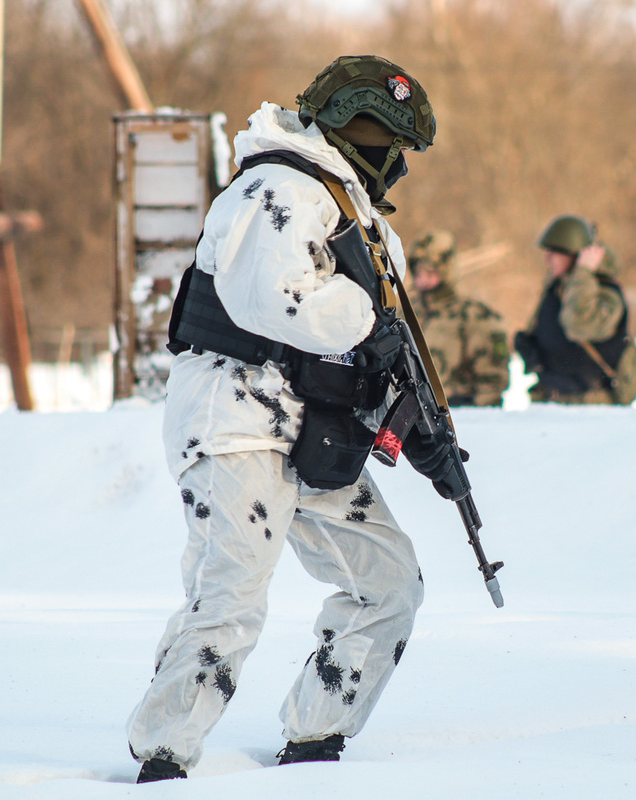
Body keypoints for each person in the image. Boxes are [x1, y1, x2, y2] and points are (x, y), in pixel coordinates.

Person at [125, 55, 454, 783]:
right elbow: (271, 298)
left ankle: (315, 745)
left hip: (317, 433)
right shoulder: (275, 187)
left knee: (389, 583)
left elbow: (384, 343)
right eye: (390, 144)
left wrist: (424, 431)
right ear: (357, 130)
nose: (396, 163)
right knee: (232, 595)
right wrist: (366, 317)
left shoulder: (358, 219)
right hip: (236, 416)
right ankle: (163, 759)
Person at [513, 215, 630, 405]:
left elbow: (580, 326)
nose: (547, 260)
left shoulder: (605, 292)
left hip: (591, 409)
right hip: (549, 402)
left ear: (574, 255)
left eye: (553, 254)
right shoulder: (558, 289)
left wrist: (583, 272)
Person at [407, 230, 509, 407]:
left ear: (446, 270)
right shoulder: (405, 313)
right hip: (409, 414)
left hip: (458, 411)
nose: (422, 280)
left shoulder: (474, 316)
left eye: (430, 273)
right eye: (418, 273)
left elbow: (492, 377)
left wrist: (480, 416)